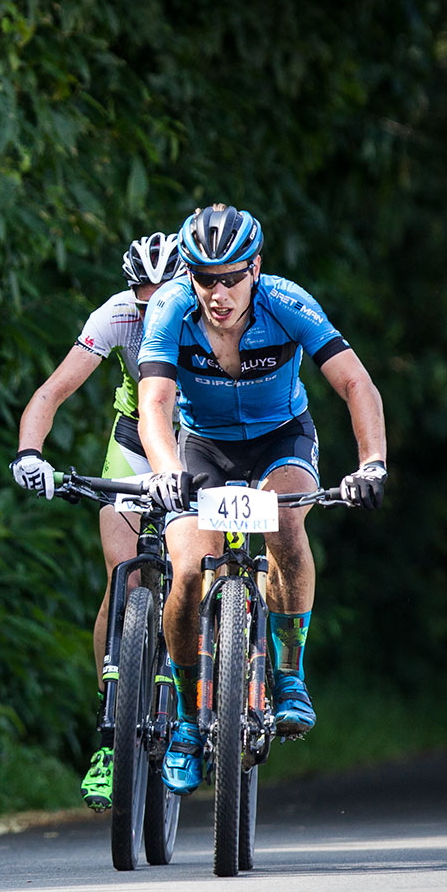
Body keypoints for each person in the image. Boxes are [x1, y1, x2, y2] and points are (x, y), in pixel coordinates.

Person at [134, 204, 388, 794]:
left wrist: (371, 462)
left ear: (255, 269)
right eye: (204, 278)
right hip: (203, 447)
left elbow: (356, 383)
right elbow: (155, 404)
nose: (217, 292)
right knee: (189, 572)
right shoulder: (172, 308)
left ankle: (290, 673)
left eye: (231, 277)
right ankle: (190, 720)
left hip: (282, 438)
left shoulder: (287, 302)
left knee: (286, 526)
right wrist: (167, 469)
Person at [11, 232, 184, 810]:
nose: (152, 303)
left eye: (163, 291)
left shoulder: (207, 310)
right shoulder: (115, 316)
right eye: (142, 294)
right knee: (123, 576)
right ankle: (112, 724)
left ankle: (194, 687)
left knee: (191, 571)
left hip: (195, 440)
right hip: (135, 441)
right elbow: (52, 391)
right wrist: (30, 454)